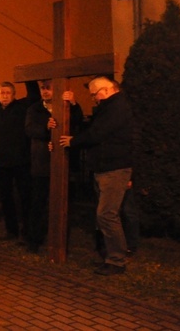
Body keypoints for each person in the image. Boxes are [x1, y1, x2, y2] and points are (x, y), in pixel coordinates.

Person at [60, 75, 133, 276]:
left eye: (95, 94)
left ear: (108, 90)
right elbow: (91, 128)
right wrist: (74, 106)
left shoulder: (117, 108)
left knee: (107, 214)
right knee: (106, 214)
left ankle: (117, 260)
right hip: (104, 168)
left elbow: (97, 133)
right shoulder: (108, 108)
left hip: (113, 168)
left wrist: (73, 141)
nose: (94, 98)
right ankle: (111, 254)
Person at [24, 80, 82, 253]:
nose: (45, 91)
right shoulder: (34, 109)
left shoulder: (65, 106)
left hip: (64, 164)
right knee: (38, 203)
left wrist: (73, 103)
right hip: (42, 164)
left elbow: (77, 122)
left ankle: (62, 241)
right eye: (43, 88)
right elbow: (29, 130)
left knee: (64, 204)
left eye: (48, 88)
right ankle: (34, 240)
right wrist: (45, 128)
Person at [0, 82, 32, 241]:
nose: (5, 95)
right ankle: (11, 230)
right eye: (2, 92)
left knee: (25, 196)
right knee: (5, 197)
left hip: (21, 160)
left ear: (14, 94)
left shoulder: (22, 109)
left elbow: (34, 97)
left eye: (8, 92)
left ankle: (27, 230)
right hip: (0, 162)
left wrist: (28, 80)